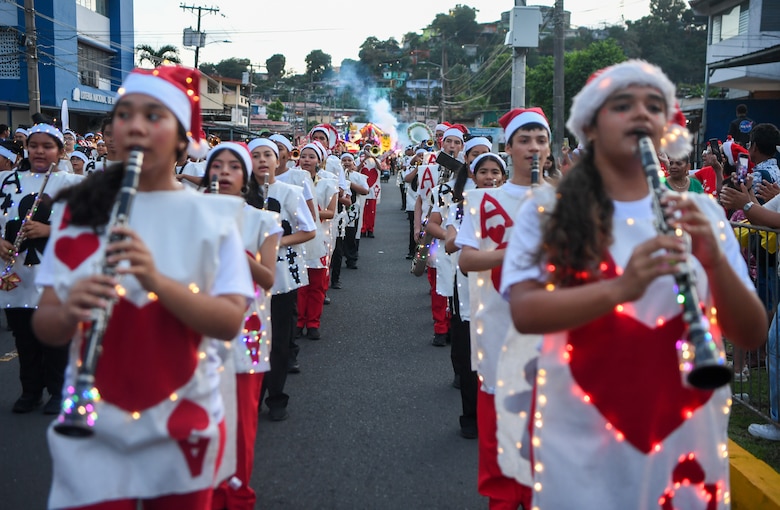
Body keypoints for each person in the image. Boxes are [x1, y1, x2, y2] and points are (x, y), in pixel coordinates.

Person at [501, 59, 766, 508]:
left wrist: (714, 261)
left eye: (653, 106)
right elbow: (525, 312)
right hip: (581, 441)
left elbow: (751, 332)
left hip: (688, 449)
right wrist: (621, 290)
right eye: (623, 104)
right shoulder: (548, 212)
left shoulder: (701, 214)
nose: (641, 114)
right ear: (591, 126)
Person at [32, 65, 255, 509]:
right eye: (125, 114)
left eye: (154, 115)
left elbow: (230, 322)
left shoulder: (211, 217)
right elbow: (47, 326)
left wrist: (155, 281)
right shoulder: (79, 209)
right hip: (94, 424)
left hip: (182, 420)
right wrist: (70, 309)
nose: (134, 125)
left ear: (180, 137)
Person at [457, 109, 552, 510]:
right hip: (498, 330)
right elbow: (466, 260)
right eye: (525, 140)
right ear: (509, 147)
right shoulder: (483, 199)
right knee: (499, 433)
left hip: (553, 333)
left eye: (541, 140)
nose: (533, 148)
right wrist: (515, 253)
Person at [200, 142, 282, 510]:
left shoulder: (264, 220)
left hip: (246, 330)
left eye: (234, 166)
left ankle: (237, 495)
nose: (224, 172)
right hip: (196, 325)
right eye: (217, 165)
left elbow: (267, 278)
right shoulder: (192, 215)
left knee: (241, 422)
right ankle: (205, 493)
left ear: (246, 178)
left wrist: (233, 243)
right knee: (200, 417)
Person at [0, 124, 84, 415]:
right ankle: (30, 390)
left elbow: (88, 230)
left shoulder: (72, 184)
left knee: (56, 339)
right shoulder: (6, 180)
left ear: (60, 151)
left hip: (54, 275)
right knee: (23, 338)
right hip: (16, 275)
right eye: (33, 145)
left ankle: (59, 392)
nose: (38, 151)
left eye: (47, 146)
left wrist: (50, 230)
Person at [246, 137, 315, 417]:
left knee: (278, 341)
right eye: (256, 155)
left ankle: (276, 397)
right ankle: (251, 396)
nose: (262, 160)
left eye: (268, 155)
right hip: (247, 276)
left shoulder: (291, 191)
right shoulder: (240, 193)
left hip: (282, 276)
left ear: (279, 160)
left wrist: (276, 242)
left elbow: (308, 231)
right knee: (250, 337)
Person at [445, 136, 491, 440]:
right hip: (467, 284)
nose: (489, 177)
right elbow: (450, 244)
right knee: (469, 354)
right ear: (471, 171)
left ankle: (496, 417)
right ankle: (470, 417)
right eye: (482, 170)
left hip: (502, 289)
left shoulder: (516, 204)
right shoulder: (460, 205)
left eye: (495, 172)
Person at [296, 143, 338, 340]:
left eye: (311, 157)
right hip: (297, 239)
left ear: (319, 160)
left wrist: (308, 212)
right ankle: (298, 321)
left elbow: (331, 212)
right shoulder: (292, 180)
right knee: (300, 284)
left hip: (320, 238)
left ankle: (313, 322)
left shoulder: (329, 183)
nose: (306, 160)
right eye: (303, 156)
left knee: (317, 284)